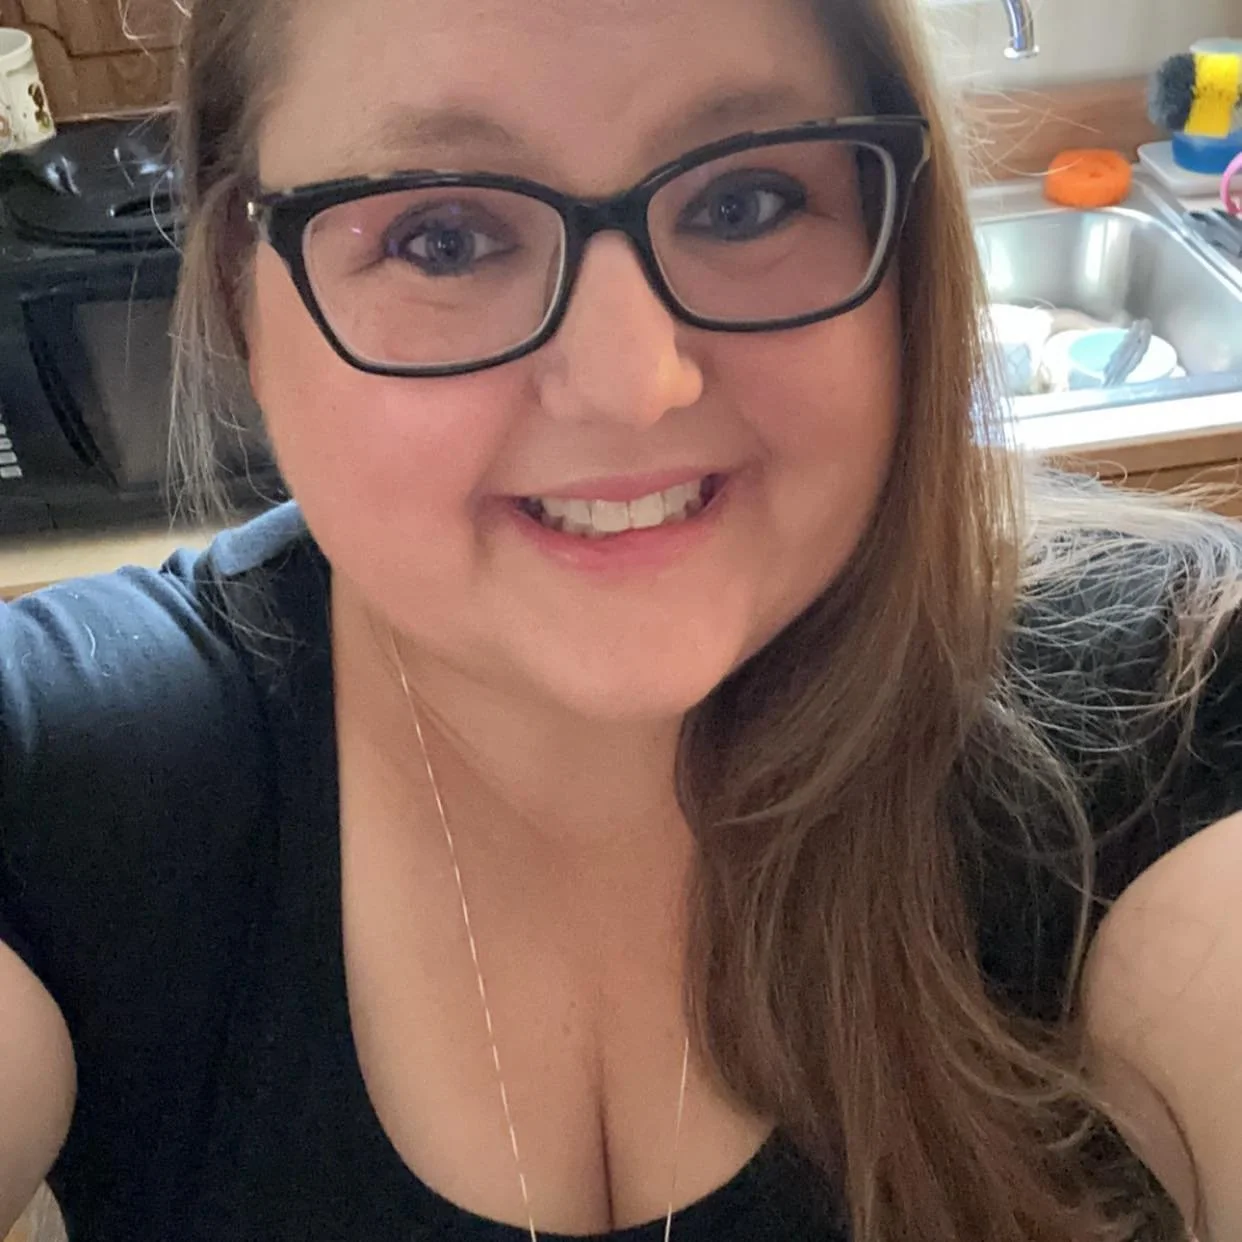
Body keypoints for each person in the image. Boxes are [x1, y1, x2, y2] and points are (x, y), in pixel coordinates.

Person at [3, 0, 1242, 1238]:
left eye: (742, 202)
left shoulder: (1172, 700)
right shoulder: (64, 770)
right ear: (239, 296)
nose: (633, 381)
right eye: (442, 238)